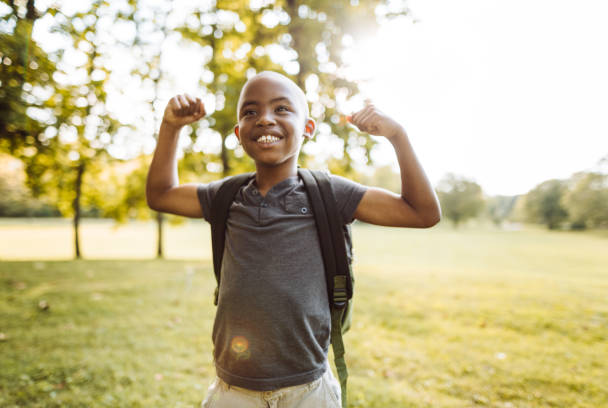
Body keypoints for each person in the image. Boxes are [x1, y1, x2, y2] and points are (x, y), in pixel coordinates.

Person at [146, 71, 441, 408]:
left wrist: (397, 136)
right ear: (239, 132)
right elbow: (161, 194)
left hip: (308, 390)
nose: (265, 119)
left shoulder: (331, 194)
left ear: (308, 128)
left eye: (282, 109)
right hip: (233, 390)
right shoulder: (225, 197)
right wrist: (171, 127)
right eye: (250, 112)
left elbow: (422, 213)